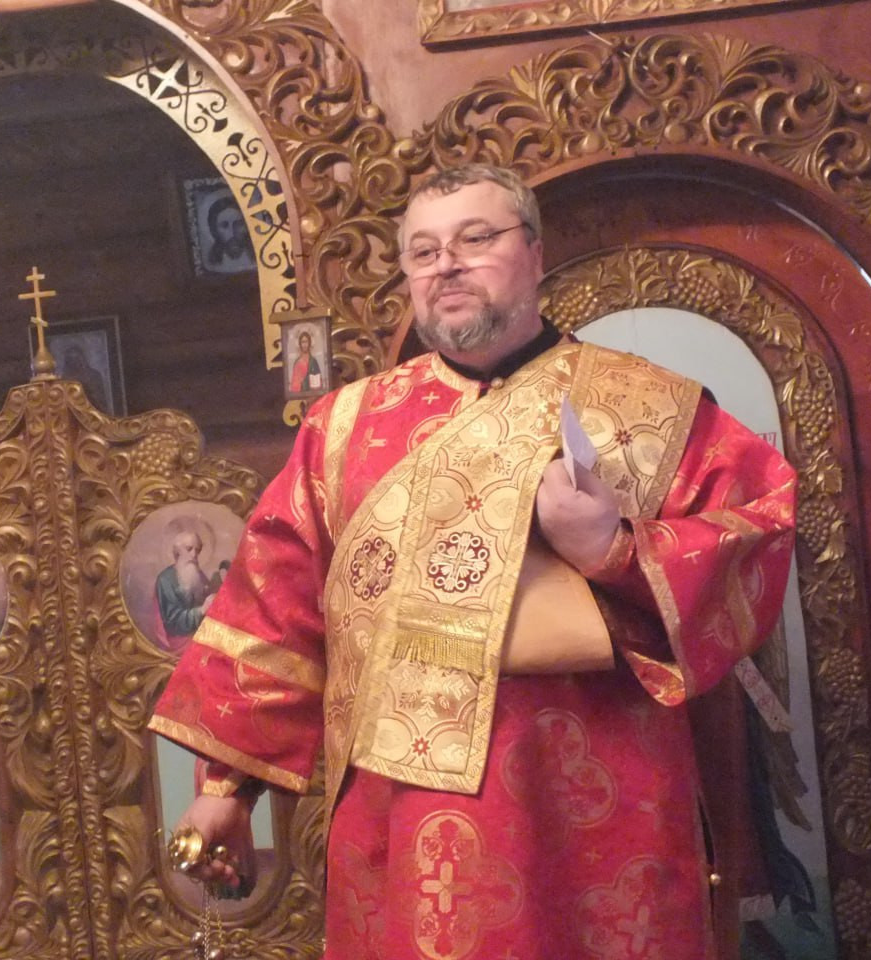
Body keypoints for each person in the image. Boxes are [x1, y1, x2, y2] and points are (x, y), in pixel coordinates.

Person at [149, 163, 797, 959]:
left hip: (596, 809)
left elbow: (756, 534)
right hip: (399, 813)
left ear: (534, 253)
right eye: (423, 252)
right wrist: (225, 788)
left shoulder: (650, 406)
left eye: (475, 239)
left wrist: (613, 550)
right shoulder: (345, 428)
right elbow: (273, 604)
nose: (446, 264)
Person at [154, 530, 215, 651]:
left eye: (197, 550)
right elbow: (172, 622)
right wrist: (202, 610)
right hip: (180, 641)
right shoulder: (166, 579)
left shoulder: (199, 576)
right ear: (178, 551)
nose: (194, 555)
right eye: (189, 549)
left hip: (202, 635)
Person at [204, 193, 252, 272]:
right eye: (224, 226)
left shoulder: (253, 258)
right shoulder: (214, 265)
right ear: (215, 230)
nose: (232, 233)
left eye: (238, 224)